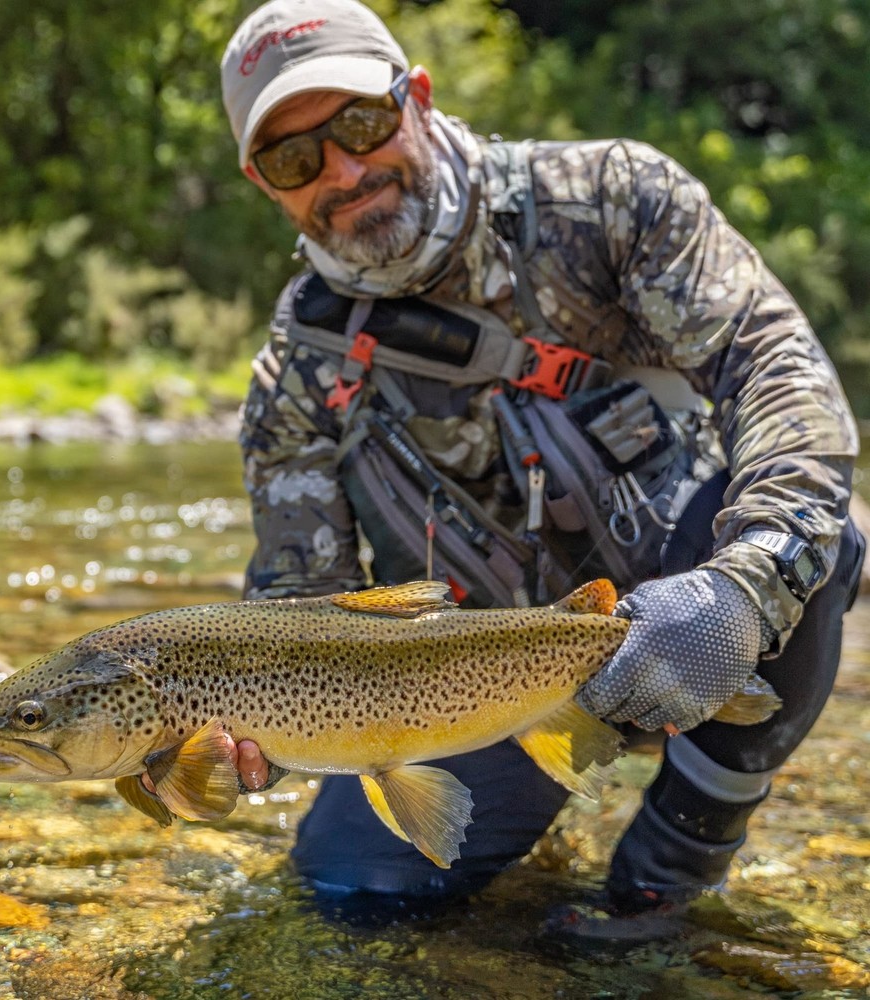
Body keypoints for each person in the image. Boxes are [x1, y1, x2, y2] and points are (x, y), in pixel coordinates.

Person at [218, 0, 865, 930]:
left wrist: (740, 587)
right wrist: (243, 745)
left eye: (360, 123)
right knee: (350, 897)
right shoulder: (294, 375)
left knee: (817, 541)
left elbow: (777, 370)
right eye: (294, 157)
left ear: (419, 99)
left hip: (676, 610)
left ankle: (670, 869)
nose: (344, 171)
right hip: (460, 697)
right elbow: (301, 607)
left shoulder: (608, 199)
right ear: (262, 182)